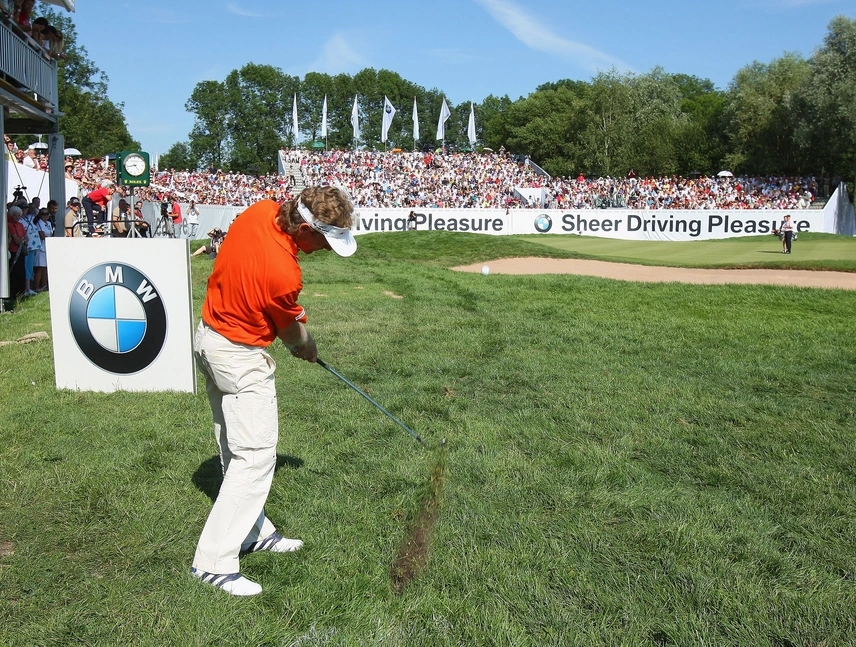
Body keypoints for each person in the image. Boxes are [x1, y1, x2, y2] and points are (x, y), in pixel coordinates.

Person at [191, 186, 357, 597]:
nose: (325, 249)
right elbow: (290, 332)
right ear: (304, 229)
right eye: (324, 241)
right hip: (238, 357)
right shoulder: (284, 272)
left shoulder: (259, 210)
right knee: (254, 457)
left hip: (209, 338)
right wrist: (307, 345)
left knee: (234, 447)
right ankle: (213, 563)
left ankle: (254, 533)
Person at [6, 204, 27, 299]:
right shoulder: (10, 225)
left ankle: (21, 292)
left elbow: (26, 238)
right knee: (14, 273)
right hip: (14, 251)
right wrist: (22, 240)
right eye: (15, 215)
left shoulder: (21, 225)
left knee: (21, 272)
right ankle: (13, 293)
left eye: (19, 215)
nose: (17, 217)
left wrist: (22, 239)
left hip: (21, 251)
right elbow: (16, 240)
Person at [33, 207, 53, 292]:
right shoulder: (39, 223)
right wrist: (47, 236)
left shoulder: (49, 223)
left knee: (45, 268)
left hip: (47, 246)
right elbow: (42, 236)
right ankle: (36, 287)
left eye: (47, 214)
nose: (45, 215)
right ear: (40, 215)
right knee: (40, 268)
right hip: (41, 247)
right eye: (43, 214)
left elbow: (50, 234)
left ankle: (44, 286)